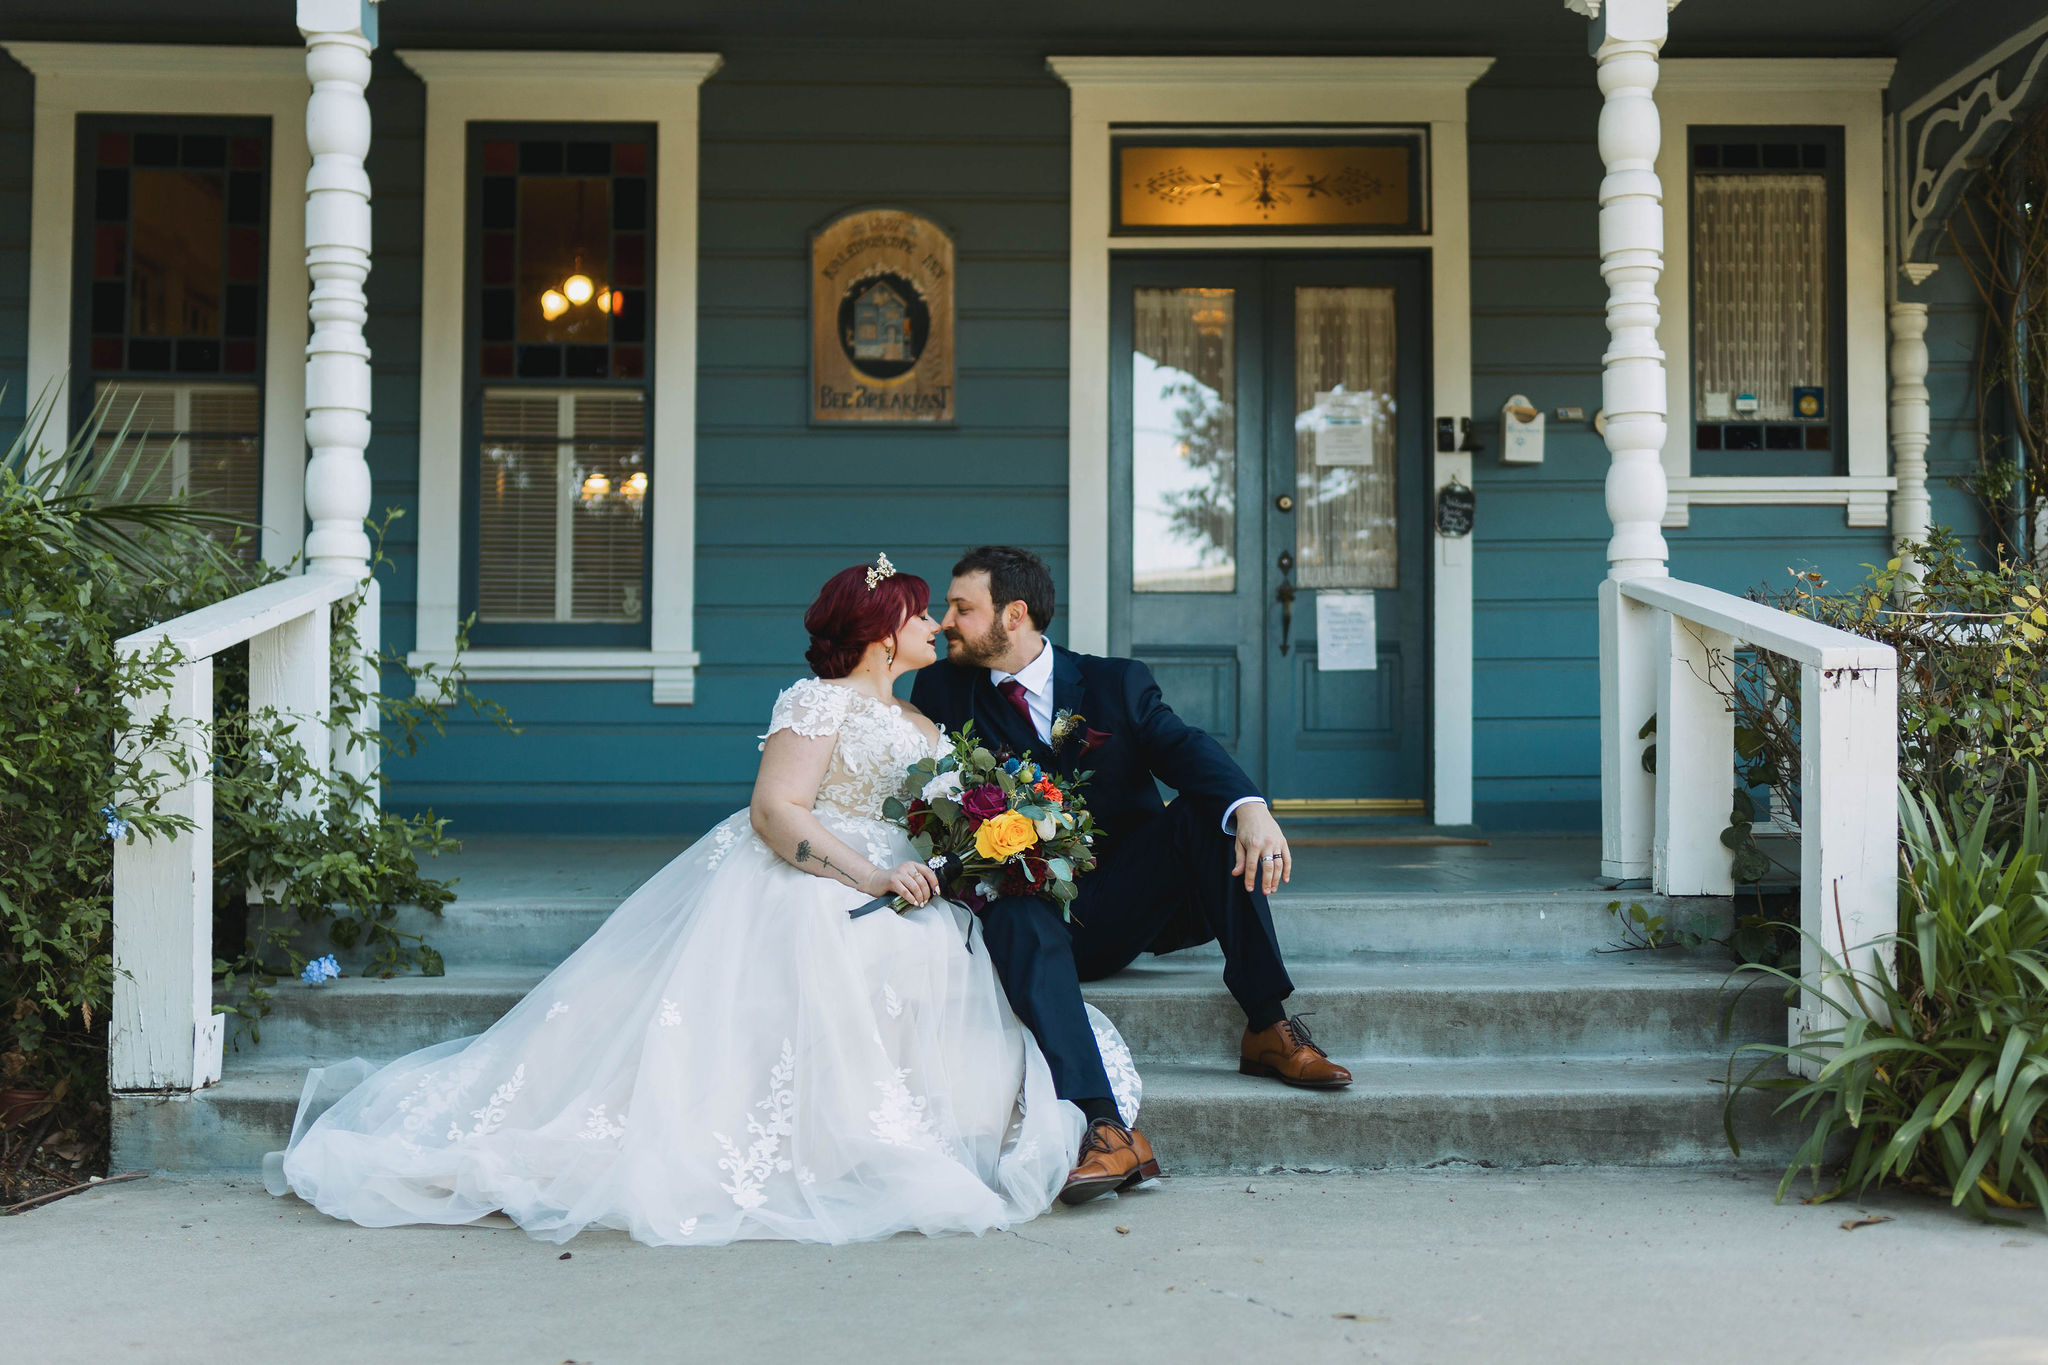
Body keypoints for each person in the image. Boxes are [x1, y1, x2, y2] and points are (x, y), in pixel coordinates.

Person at [264, 556, 1139, 1246]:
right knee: (850, 953)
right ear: (880, 634)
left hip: (912, 881)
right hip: (815, 874)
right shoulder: (817, 701)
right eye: (918, 613)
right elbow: (774, 810)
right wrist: (867, 876)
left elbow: (934, 814)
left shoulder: (925, 723)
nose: (933, 624)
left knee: (943, 960)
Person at [911, 546, 1352, 1188]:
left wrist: (1250, 807)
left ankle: (1267, 1025)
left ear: (1014, 615)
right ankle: (1110, 1128)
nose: (946, 619)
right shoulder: (943, 688)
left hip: (1118, 901)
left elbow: (1180, 743)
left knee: (1207, 814)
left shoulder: (1115, 681)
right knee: (1008, 904)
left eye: (962, 608)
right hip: (1025, 911)